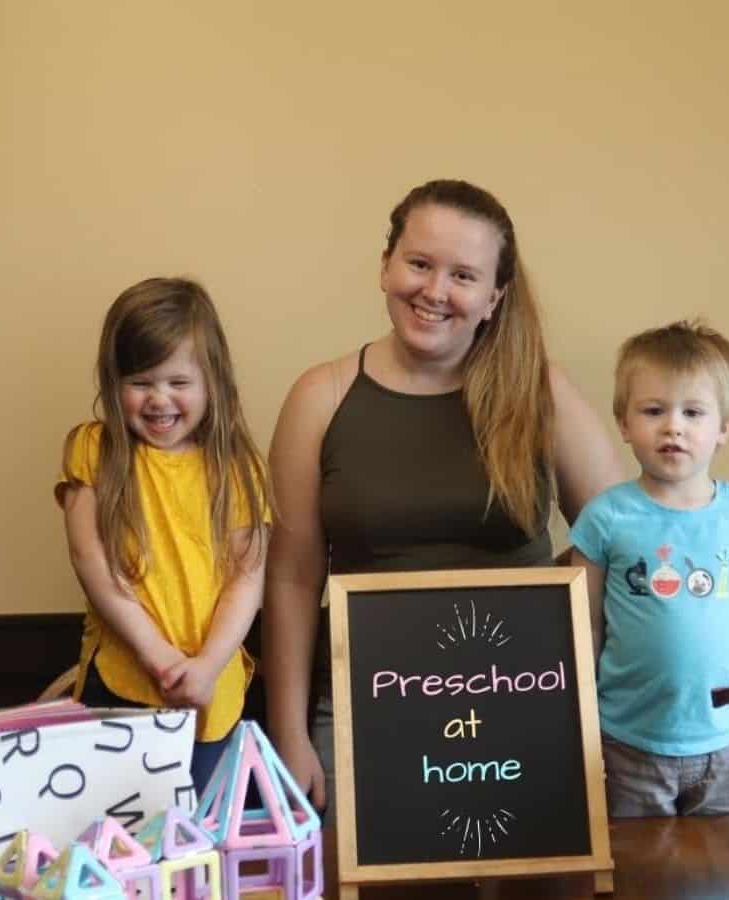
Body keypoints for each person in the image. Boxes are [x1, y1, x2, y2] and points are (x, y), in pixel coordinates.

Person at [263, 179, 624, 819]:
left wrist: (558, 641)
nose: (434, 291)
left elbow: (623, 540)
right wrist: (287, 735)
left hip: (524, 706)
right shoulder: (318, 396)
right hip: (357, 710)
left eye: (463, 274)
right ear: (385, 266)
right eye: (419, 263)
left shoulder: (537, 390)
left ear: (494, 297)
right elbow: (292, 579)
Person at [569, 319, 729, 817]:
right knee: (639, 871)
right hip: (627, 742)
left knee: (720, 868)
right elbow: (583, 623)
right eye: (653, 411)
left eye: (693, 412)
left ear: (725, 427)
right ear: (624, 422)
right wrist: (577, 709)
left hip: (728, 740)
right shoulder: (606, 518)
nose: (673, 426)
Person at [56, 277, 271, 791]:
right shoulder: (95, 450)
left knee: (193, 843)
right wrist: (160, 656)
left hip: (211, 696)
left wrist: (207, 666)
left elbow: (247, 579)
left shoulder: (238, 468)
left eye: (178, 382)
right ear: (113, 382)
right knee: (119, 840)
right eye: (140, 383)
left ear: (213, 382)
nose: (159, 400)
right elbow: (93, 564)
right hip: (121, 685)